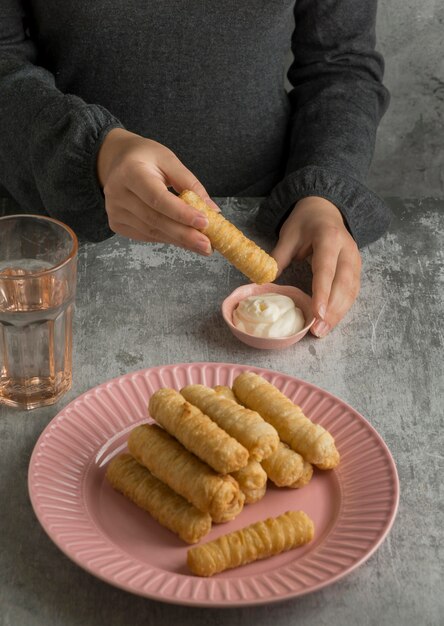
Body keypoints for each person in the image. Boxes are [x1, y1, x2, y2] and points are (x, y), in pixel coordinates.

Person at [0, 0, 390, 338]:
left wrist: (324, 189)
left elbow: (340, 64)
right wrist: (92, 150)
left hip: (269, 232)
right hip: (54, 255)